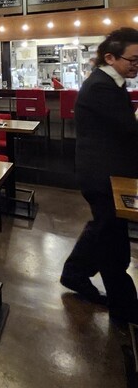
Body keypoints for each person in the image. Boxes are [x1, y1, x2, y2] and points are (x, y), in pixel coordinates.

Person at [61, 27, 138, 322]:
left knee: (105, 227)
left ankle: (75, 273)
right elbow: (128, 128)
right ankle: (125, 307)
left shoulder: (110, 82)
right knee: (112, 240)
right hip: (101, 174)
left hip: (105, 170)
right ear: (110, 57)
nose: (136, 65)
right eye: (132, 59)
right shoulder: (101, 86)